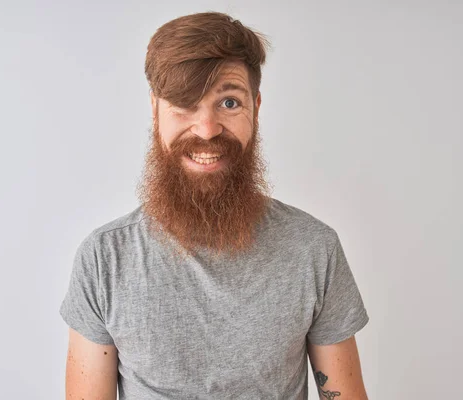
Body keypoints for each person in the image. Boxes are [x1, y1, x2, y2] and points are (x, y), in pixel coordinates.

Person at [59, 11, 370, 400]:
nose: (206, 129)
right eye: (184, 104)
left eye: (228, 102)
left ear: (255, 107)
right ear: (155, 111)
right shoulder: (104, 259)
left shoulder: (314, 249)